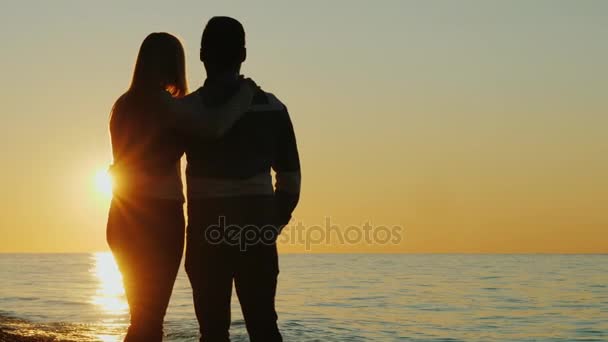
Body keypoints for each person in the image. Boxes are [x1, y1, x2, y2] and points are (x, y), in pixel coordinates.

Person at [107, 32, 256, 342]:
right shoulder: (162, 104)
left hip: (121, 215)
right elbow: (214, 126)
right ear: (174, 64)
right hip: (158, 217)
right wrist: (245, 94)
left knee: (142, 316)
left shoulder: (122, 105)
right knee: (150, 319)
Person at [182, 17, 301, 342]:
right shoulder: (273, 108)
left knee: (212, 332)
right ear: (244, 54)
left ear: (203, 54)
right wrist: (271, 222)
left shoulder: (188, 110)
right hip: (257, 234)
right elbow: (291, 180)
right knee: (263, 326)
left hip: (206, 235)